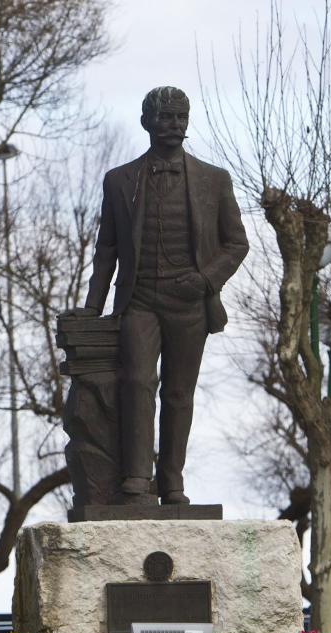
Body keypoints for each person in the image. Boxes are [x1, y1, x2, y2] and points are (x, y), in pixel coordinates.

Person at [76, 85, 249, 506]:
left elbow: (237, 244)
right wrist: (92, 308)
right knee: (136, 382)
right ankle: (136, 478)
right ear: (146, 122)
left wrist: (207, 280)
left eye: (180, 118)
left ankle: (172, 482)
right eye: (165, 117)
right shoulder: (119, 180)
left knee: (177, 394)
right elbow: (108, 248)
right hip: (140, 300)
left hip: (190, 302)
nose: (173, 125)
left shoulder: (214, 179)